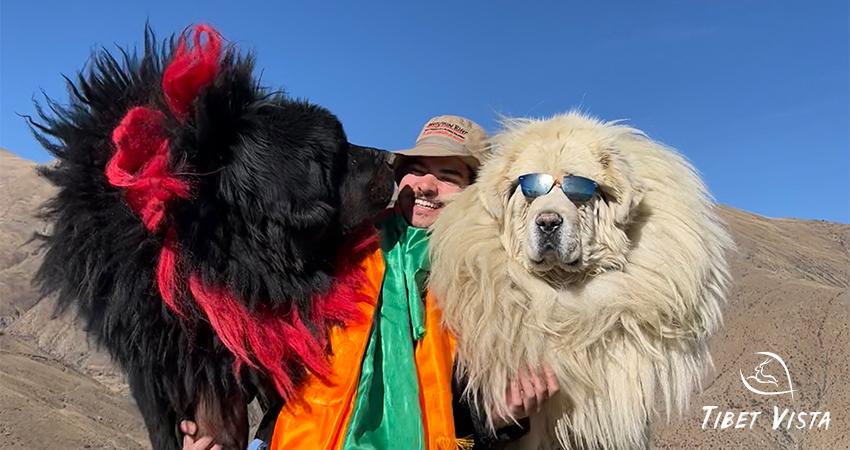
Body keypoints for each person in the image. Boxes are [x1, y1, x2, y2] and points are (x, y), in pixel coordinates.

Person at [182, 115, 559, 450]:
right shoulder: (333, 246)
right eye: (416, 168)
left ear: (477, 193)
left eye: (448, 176)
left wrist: (497, 419)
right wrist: (215, 412)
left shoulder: (491, 296)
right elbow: (252, 322)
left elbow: (467, 426)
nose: (425, 185)